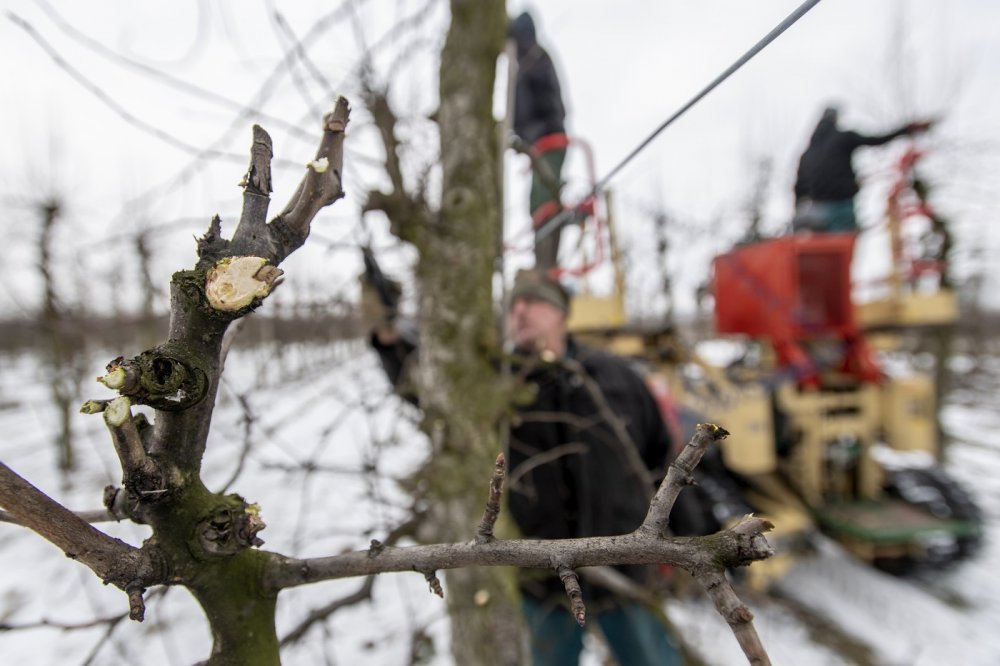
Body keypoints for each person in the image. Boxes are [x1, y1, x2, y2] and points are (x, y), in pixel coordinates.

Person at [368, 269, 682, 666]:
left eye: (533, 302)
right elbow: (431, 393)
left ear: (561, 315)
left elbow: (661, 458)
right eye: (513, 304)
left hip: (623, 568)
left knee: (651, 657)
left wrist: (679, 535)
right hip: (540, 576)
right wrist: (392, 344)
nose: (519, 311)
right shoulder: (497, 383)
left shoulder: (615, 377)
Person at [792, 106, 932, 233]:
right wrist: (907, 129)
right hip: (841, 206)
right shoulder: (844, 137)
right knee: (841, 250)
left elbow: (798, 188)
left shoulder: (807, 154)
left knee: (821, 254)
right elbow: (876, 140)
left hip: (815, 210)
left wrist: (797, 213)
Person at [507, 12, 569, 271]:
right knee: (538, 200)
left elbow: (537, 106)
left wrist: (525, 133)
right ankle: (543, 263)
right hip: (542, 138)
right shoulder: (531, 62)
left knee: (543, 201)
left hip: (548, 139)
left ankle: (545, 266)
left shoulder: (535, 60)